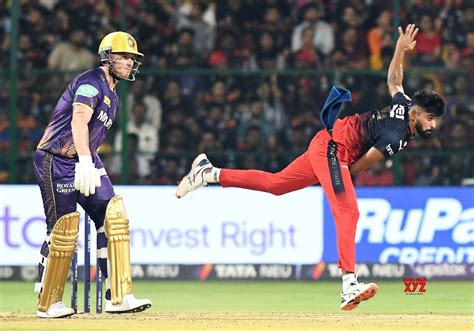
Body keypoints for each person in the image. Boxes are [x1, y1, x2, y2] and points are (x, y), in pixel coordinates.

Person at [176, 24, 445, 311]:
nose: (433, 125)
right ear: (415, 113)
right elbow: (357, 168)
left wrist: (399, 50)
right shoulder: (395, 136)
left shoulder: (404, 106)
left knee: (275, 185)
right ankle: (348, 284)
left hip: (327, 144)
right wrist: (335, 170)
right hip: (333, 150)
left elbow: (394, 80)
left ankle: (209, 172)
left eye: (436, 120)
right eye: (430, 119)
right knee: (349, 211)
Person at [33, 31, 152, 318]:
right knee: (63, 231)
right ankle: (49, 301)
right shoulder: (90, 83)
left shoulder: (114, 96)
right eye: (123, 56)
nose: (129, 63)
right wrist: (84, 161)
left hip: (86, 159)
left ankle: (118, 296)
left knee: (114, 218)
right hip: (56, 159)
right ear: (107, 56)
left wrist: (89, 160)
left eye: (132, 58)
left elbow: (92, 136)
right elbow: (79, 120)